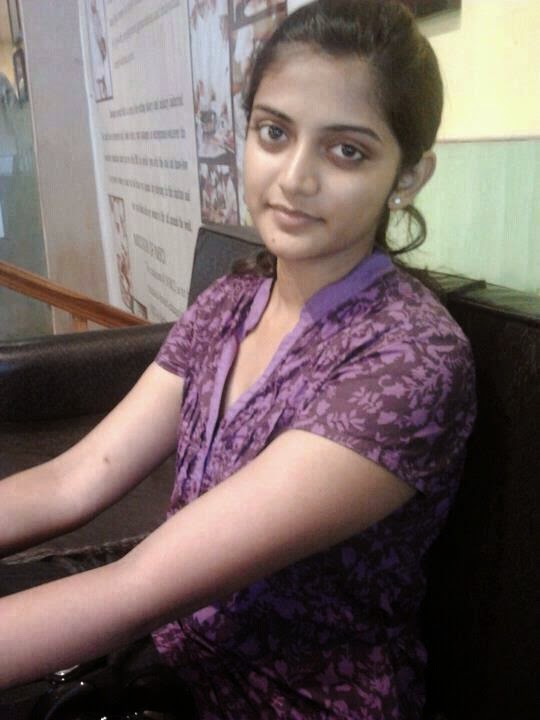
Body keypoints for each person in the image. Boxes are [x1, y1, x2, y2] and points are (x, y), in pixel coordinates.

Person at [0, 1, 476, 717]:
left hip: (288, 698)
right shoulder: (232, 301)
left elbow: (135, 590)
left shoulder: (411, 360)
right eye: (274, 132)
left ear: (407, 176)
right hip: (176, 651)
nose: (295, 178)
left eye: (346, 150)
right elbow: (74, 480)